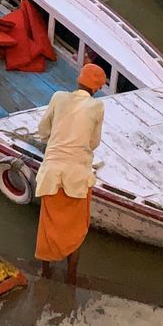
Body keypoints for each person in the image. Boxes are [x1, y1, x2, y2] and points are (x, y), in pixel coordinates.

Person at [34, 63, 106, 285]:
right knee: (75, 231)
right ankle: (71, 278)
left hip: (51, 175)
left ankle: (45, 274)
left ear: (78, 80)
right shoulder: (97, 107)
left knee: (48, 227)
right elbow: (93, 143)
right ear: (98, 88)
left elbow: (43, 130)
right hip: (77, 178)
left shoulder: (58, 97)